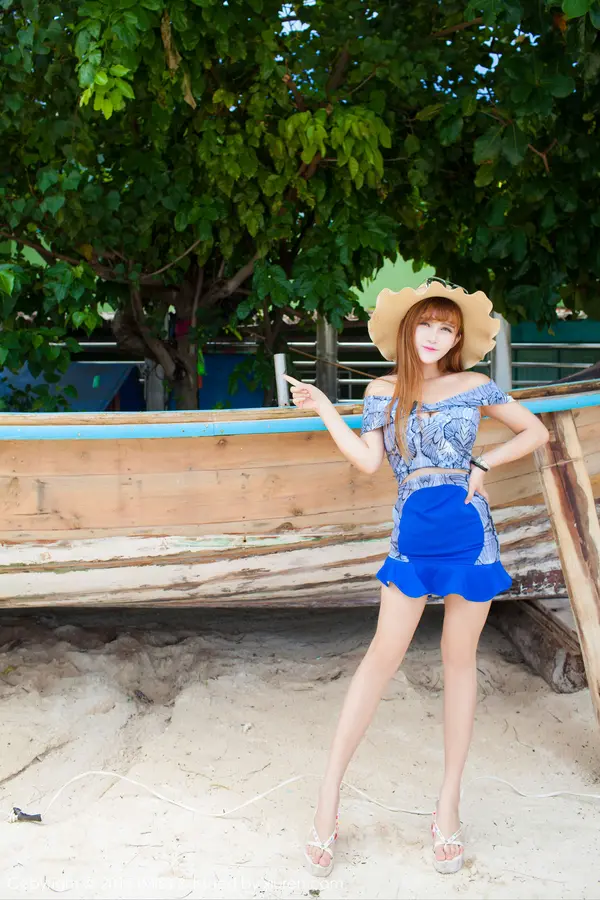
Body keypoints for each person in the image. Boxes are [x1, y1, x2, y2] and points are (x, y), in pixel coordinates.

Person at [284, 277, 549, 876]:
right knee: (381, 658)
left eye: (446, 328)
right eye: (426, 324)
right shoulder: (383, 391)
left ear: (457, 339)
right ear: (408, 330)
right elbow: (368, 461)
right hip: (411, 535)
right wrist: (324, 407)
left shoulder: (475, 385)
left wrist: (485, 463)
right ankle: (327, 800)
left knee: (460, 662)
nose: (435, 335)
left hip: (470, 535)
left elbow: (534, 431)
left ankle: (447, 806)